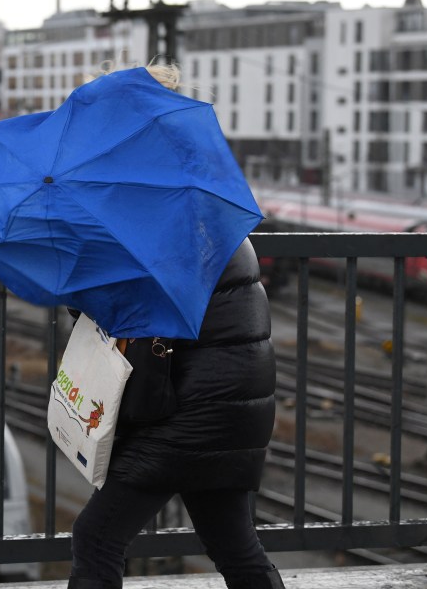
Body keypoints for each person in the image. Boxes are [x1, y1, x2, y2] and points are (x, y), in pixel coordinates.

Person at [67, 63, 286, 589]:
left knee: (97, 537)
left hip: (193, 405)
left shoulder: (159, 202)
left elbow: (134, 305)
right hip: (229, 398)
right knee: (235, 547)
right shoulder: (187, 186)